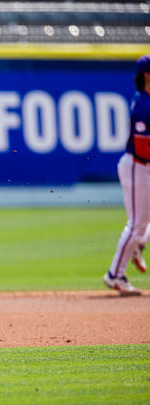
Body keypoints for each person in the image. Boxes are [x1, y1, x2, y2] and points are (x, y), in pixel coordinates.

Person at [104, 54, 150, 296]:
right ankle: (115, 275)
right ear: (147, 75)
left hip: (143, 166)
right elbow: (143, 147)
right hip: (137, 166)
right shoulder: (144, 105)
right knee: (135, 224)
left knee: (139, 226)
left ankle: (138, 244)